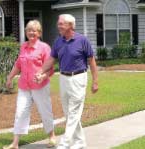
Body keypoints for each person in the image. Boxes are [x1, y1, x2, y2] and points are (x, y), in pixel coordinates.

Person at [36, 14, 98, 149]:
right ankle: (80, 142)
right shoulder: (58, 41)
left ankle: (64, 144)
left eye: (61, 24)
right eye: (58, 23)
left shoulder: (82, 40)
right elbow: (51, 60)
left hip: (78, 78)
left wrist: (95, 81)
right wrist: (41, 71)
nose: (58, 26)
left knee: (74, 112)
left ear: (70, 25)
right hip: (63, 78)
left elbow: (92, 61)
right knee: (68, 113)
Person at [3, 20, 56, 149]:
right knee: (20, 112)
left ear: (39, 33)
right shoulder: (23, 46)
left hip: (40, 86)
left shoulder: (44, 47)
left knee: (45, 111)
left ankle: (52, 136)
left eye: (34, 30)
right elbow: (18, 65)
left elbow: (50, 68)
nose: (31, 33)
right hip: (24, 86)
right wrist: (10, 78)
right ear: (26, 32)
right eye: (29, 30)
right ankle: (15, 143)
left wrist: (43, 76)